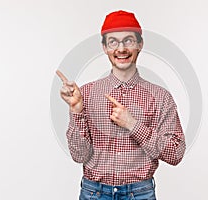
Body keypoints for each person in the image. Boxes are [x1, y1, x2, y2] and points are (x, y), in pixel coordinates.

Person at [56, 10, 186, 200]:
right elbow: (79, 156)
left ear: (140, 44)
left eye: (128, 40)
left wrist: (133, 125)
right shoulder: (86, 93)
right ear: (104, 47)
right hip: (94, 193)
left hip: (140, 193)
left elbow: (176, 153)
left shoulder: (160, 97)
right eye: (113, 42)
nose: (121, 48)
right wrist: (76, 110)